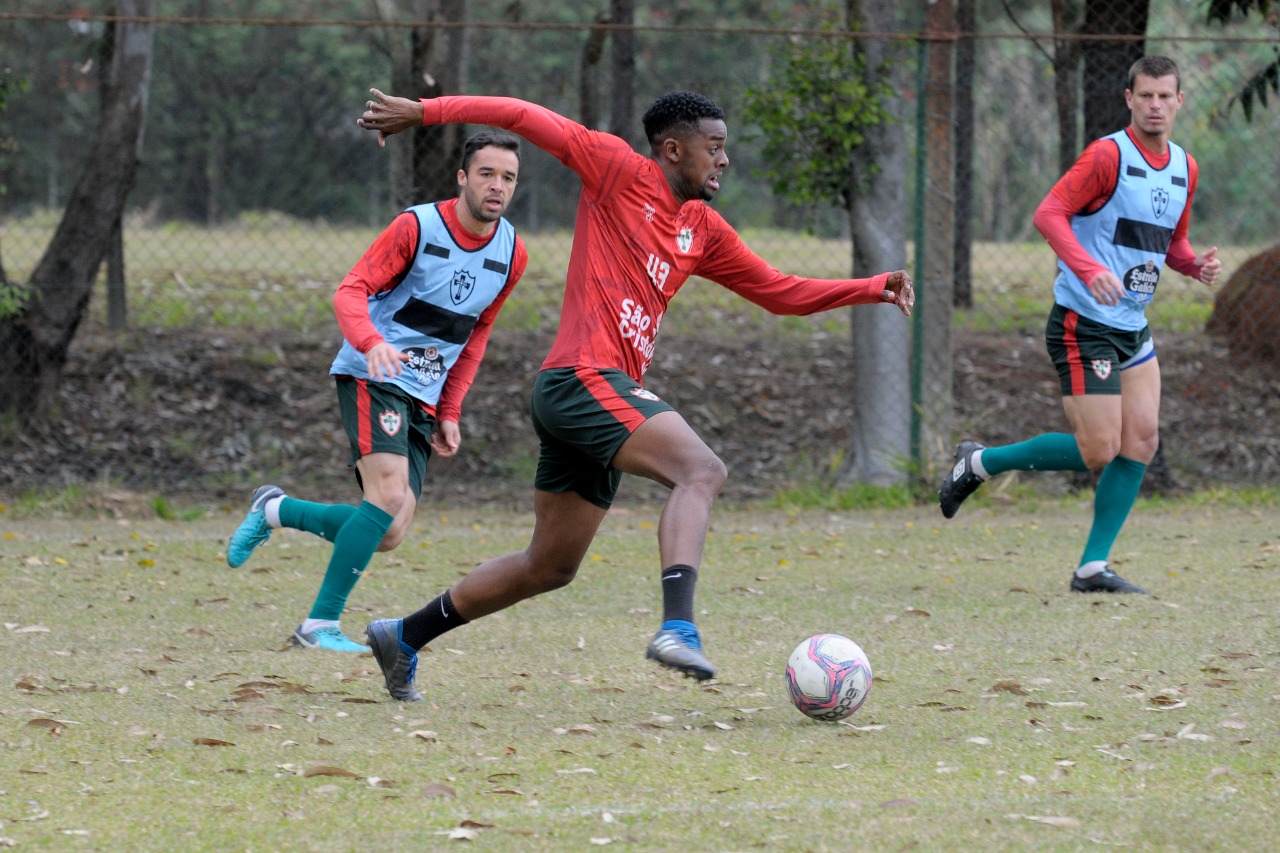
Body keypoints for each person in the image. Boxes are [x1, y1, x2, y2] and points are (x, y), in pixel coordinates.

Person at [354, 88, 914, 701]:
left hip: (589, 394)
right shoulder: (617, 169)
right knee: (701, 470)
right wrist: (424, 112)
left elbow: (778, 291)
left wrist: (871, 287)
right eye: (714, 147)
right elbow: (520, 115)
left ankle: (403, 636)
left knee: (550, 566)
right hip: (580, 379)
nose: (724, 160)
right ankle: (677, 627)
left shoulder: (701, 229)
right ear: (673, 149)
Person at [224, 130, 529, 652]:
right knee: (386, 497)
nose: (497, 186)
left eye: (508, 177)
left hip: (425, 397)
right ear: (462, 178)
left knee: (388, 531)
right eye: (486, 174)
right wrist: (370, 344)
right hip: (375, 375)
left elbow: (475, 335)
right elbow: (351, 291)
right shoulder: (417, 226)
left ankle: (274, 510)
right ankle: (319, 626)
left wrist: (450, 408)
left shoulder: (512, 253)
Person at [938, 55, 1221, 594]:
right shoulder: (1106, 156)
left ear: (1180, 101)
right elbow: (1049, 213)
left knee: (1141, 439)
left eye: (1166, 96)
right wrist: (1088, 269)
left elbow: (1170, 244)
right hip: (1083, 321)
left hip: (1131, 325)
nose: (1156, 105)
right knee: (1099, 450)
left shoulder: (1186, 167)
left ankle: (1093, 567)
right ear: (1129, 99)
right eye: (1146, 96)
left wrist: (1193, 266)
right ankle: (980, 462)